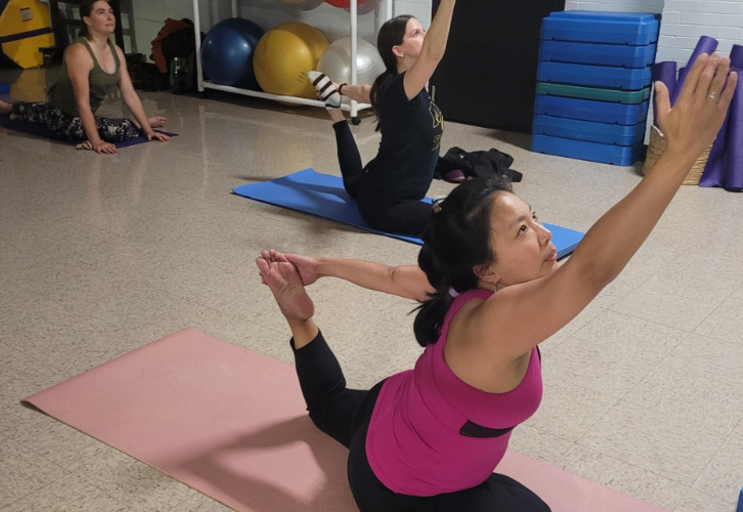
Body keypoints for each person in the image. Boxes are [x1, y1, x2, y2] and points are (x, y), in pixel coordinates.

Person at [256, 53, 736, 512]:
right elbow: (591, 269)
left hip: (386, 412)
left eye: (534, 218)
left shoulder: (454, 288)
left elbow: (385, 274)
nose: (547, 235)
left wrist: (320, 265)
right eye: (522, 231)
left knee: (328, 407)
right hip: (401, 495)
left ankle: (301, 323)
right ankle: (300, 323)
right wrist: (679, 157)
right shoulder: (491, 320)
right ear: (485, 269)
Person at [304, 0, 455, 237]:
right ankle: (335, 113)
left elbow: (366, 92)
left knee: (354, 182)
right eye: (417, 33)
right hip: (387, 205)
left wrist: (339, 87)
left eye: (424, 31)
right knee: (458, 227)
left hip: (374, 181)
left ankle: (334, 111)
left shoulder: (397, 87)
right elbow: (433, 53)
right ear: (398, 50)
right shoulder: (400, 89)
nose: (425, 36)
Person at [0, 0, 169, 154]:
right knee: (119, 130)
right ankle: (133, 124)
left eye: (110, 12)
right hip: (66, 116)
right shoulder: (79, 52)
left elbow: (129, 93)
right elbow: (81, 102)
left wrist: (148, 129)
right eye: (101, 12)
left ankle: (7, 107)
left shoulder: (117, 52)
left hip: (64, 106)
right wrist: (96, 141)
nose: (109, 17)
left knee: (45, 111)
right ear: (87, 20)